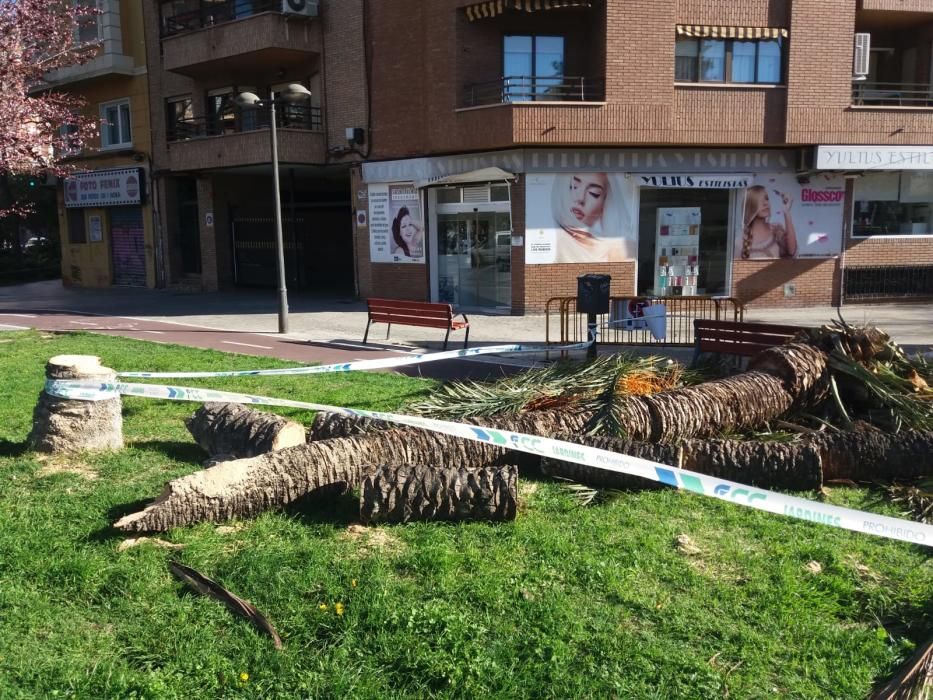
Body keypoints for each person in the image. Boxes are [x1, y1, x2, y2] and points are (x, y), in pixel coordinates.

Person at [550, 173, 635, 263]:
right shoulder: (555, 238)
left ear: (605, 204)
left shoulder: (618, 248)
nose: (580, 198)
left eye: (594, 193)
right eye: (574, 186)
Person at [739, 185, 798, 259]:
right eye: (759, 200)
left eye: (766, 198)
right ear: (750, 205)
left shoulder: (776, 229)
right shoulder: (741, 239)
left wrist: (786, 211)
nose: (765, 203)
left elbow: (791, 252)